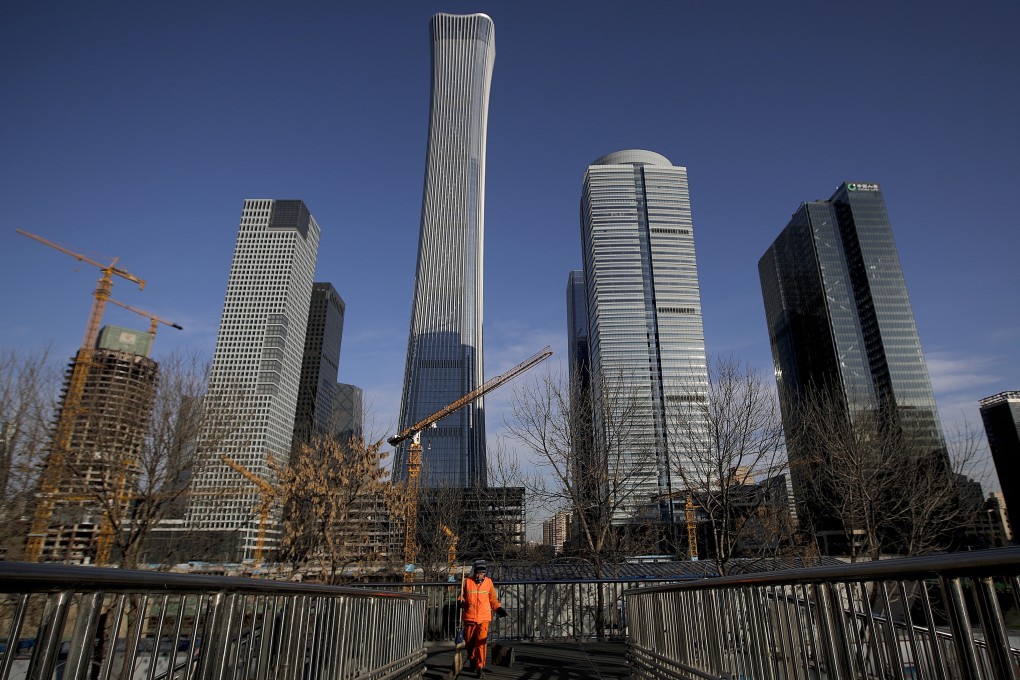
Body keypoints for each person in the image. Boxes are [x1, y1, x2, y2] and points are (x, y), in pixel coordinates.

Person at [458, 559, 507, 678]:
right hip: (469, 617)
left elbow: (493, 600)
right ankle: (472, 659)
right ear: (475, 572)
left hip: (483, 618)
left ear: (485, 573)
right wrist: (461, 601)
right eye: (478, 573)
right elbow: (461, 596)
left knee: (481, 644)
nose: (479, 576)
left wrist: (498, 609)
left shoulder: (489, 583)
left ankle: (480, 667)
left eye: (482, 574)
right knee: (469, 643)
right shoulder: (467, 582)